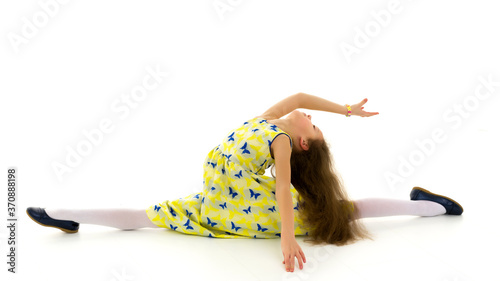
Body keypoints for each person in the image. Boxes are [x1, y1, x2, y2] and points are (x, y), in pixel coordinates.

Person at [26, 92, 463, 273]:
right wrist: (346, 110)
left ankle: (430, 206)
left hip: (255, 208)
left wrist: (287, 241)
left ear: (303, 146)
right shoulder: (269, 120)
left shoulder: (281, 142)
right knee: (148, 215)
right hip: (220, 204)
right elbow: (300, 96)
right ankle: (61, 215)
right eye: (314, 120)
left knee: (343, 210)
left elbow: (280, 189)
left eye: (315, 126)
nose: (311, 118)